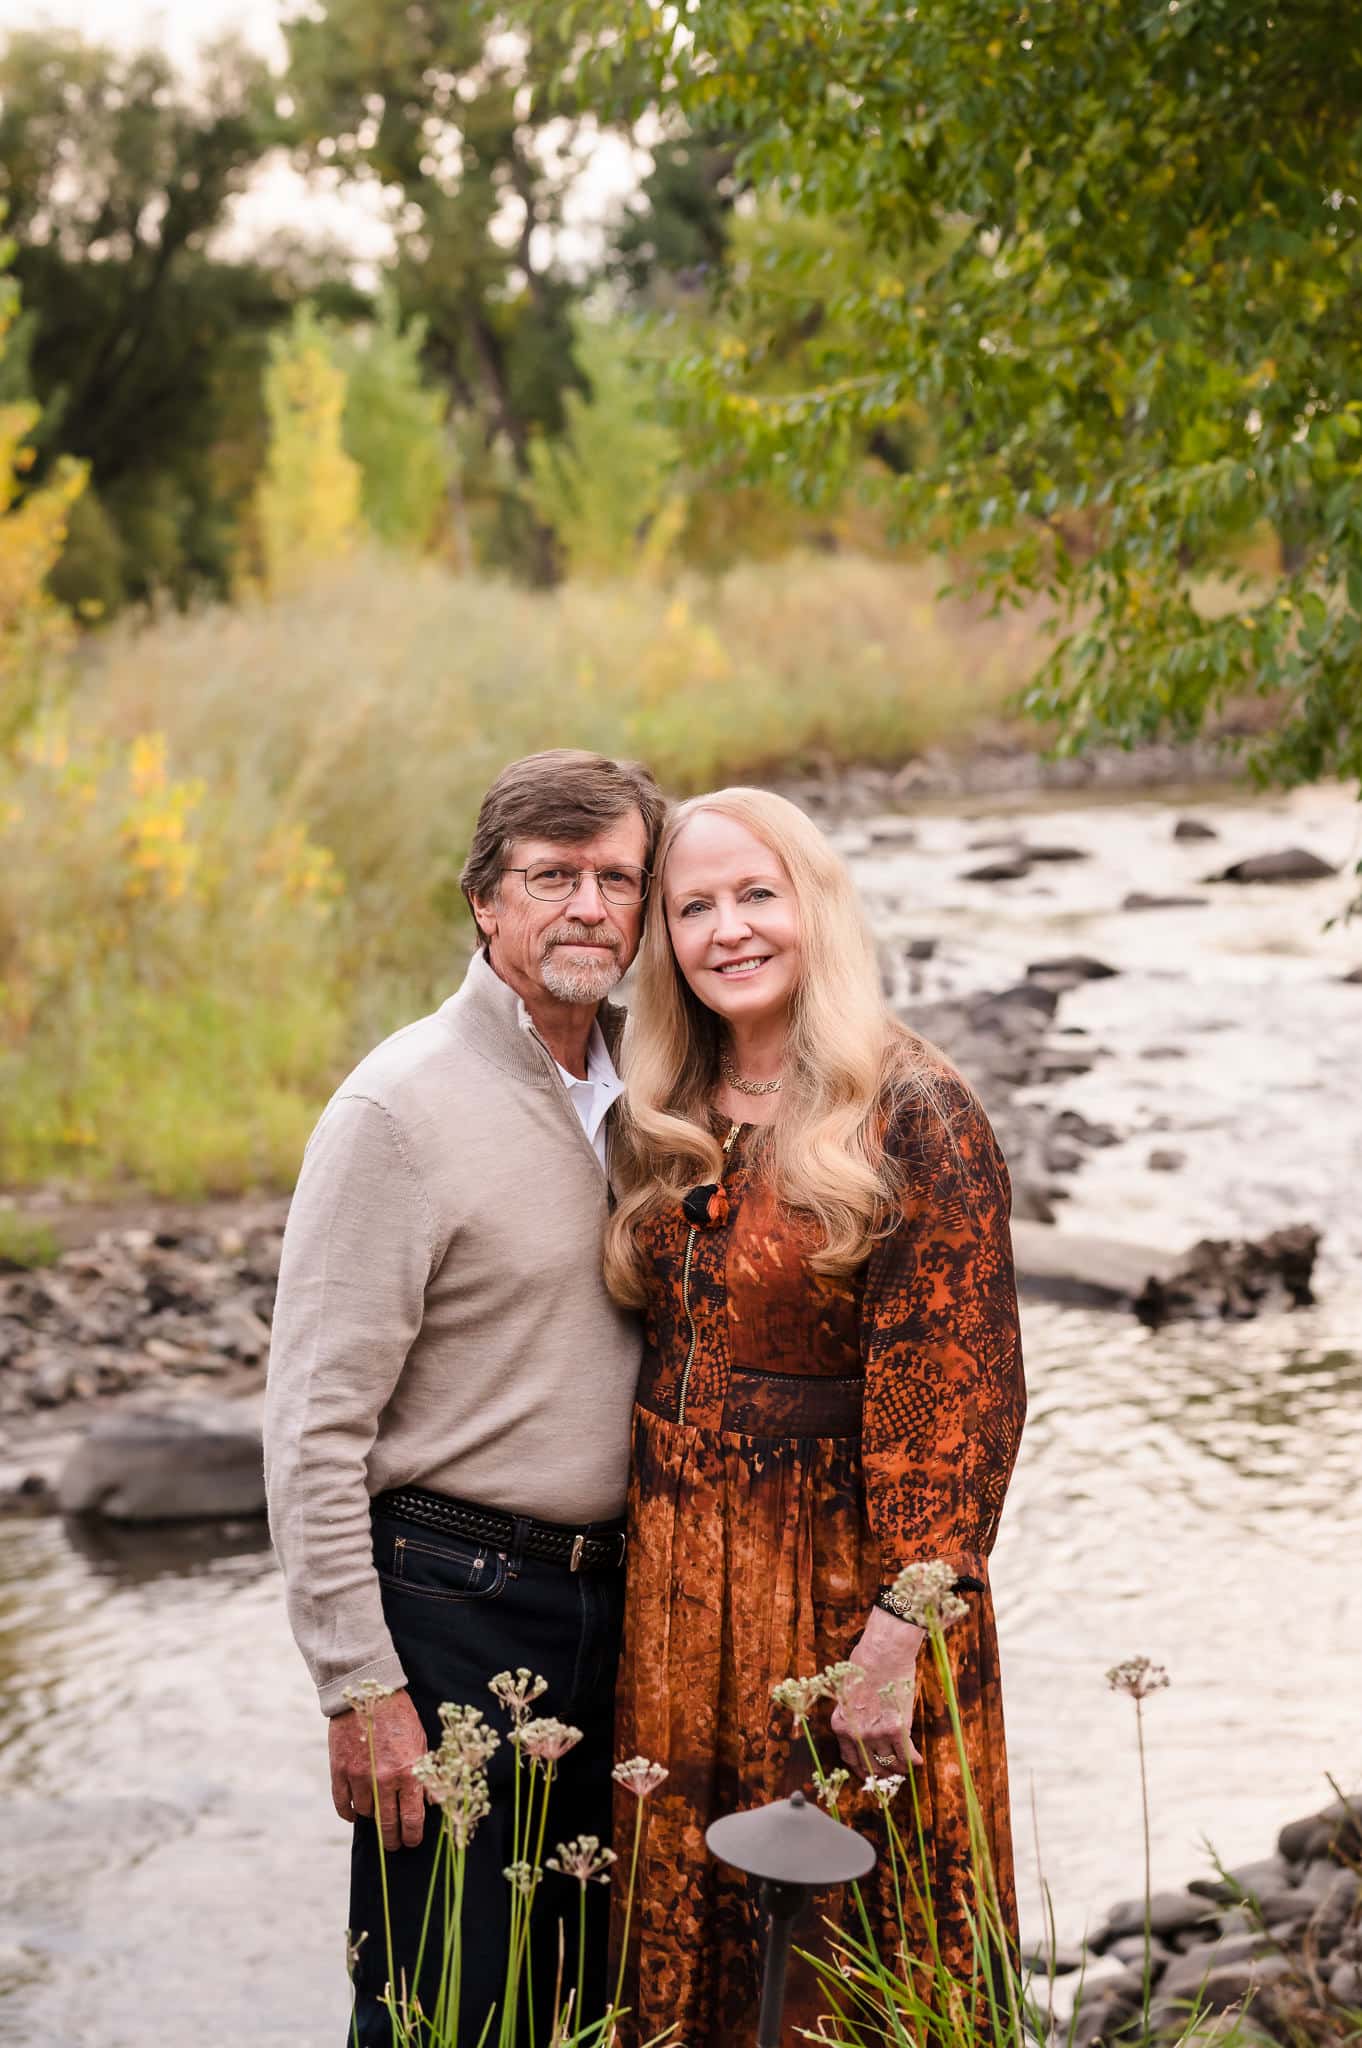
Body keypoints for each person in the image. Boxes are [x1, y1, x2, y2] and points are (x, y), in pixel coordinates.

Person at [602, 786, 1027, 2044]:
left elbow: (964, 1396)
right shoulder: (661, 1101)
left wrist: (895, 1643)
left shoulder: (912, 1109)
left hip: (840, 1593)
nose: (727, 928)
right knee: (693, 1935)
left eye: (756, 894)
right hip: (678, 1594)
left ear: (815, 907)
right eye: (694, 906)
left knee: (847, 1951)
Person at [264, 748, 667, 2047]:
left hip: (628, 1605)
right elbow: (313, 1425)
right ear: (484, 901)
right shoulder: (400, 1106)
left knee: (589, 1998)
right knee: (443, 1999)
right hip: (453, 1608)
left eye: (617, 877)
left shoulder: (649, 1097)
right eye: (553, 876)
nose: (589, 908)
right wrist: (354, 1684)